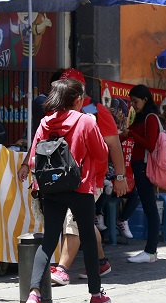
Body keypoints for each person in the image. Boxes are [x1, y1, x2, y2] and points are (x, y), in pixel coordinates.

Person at [23, 78, 111, 303]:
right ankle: (96, 294)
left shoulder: (45, 122)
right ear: (76, 100)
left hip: (51, 189)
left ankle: (34, 293)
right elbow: (102, 154)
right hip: (80, 188)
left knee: (50, 239)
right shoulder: (85, 121)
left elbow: (33, 159)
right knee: (88, 239)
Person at [45, 69, 127, 284]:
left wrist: (120, 176)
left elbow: (114, 146)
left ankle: (62, 268)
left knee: (72, 220)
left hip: (90, 179)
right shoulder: (61, 111)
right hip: (67, 178)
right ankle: (101, 263)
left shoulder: (97, 112)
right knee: (83, 222)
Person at [119, 85, 161, 263]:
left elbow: (150, 145)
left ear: (145, 100)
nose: (133, 105)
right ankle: (150, 251)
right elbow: (126, 135)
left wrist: (132, 135)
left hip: (144, 166)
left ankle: (150, 251)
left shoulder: (151, 118)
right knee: (148, 206)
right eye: (131, 101)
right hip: (138, 166)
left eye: (135, 101)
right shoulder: (140, 118)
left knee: (150, 208)